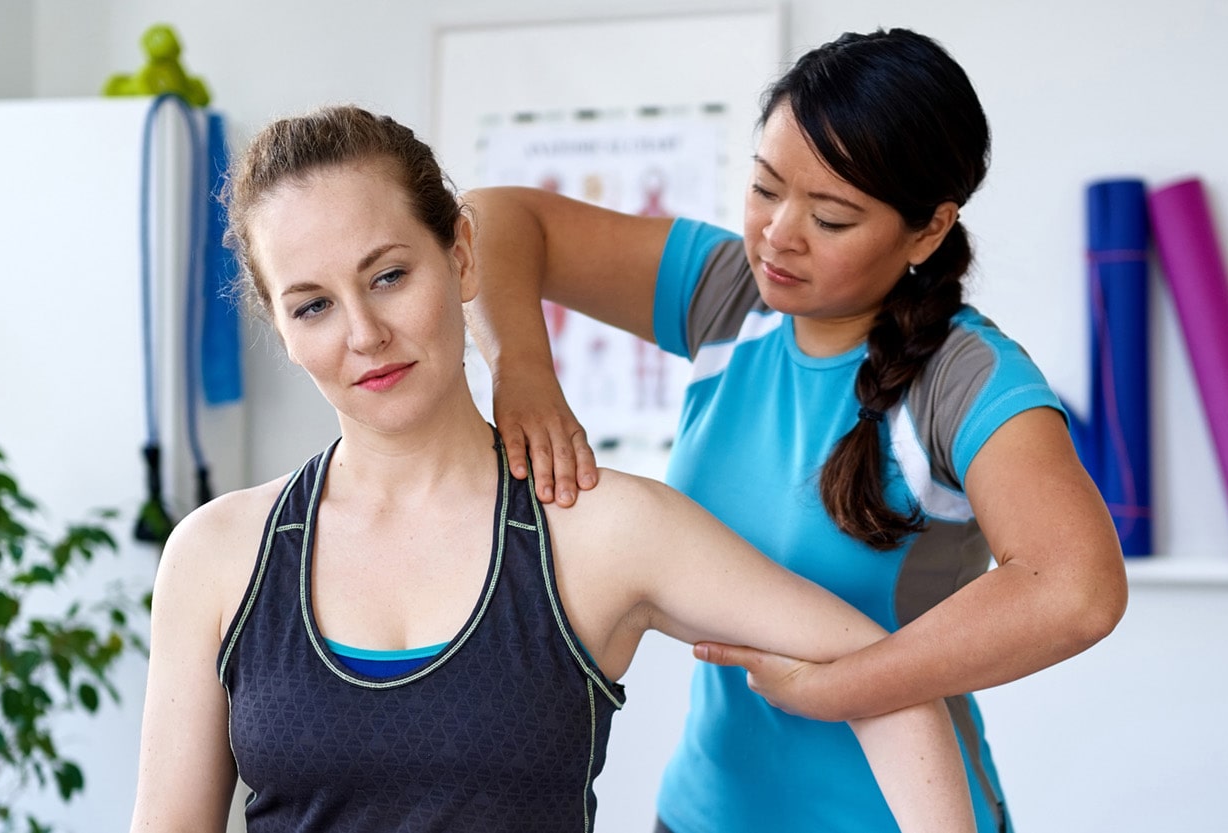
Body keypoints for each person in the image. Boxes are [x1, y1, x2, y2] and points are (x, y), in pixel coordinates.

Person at [128, 105, 974, 833]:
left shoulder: (598, 528)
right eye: (312, 304)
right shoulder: (216, 555)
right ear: (279, 327)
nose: (362, 333)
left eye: (388, 276)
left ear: (460, 255)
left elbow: (887, 677)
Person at [461, 28, 1130, 833]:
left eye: (833, 218)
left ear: (927, 230)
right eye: (765, 188)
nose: (779, 234)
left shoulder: (966, 378)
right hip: (703, 812)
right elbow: (491, 220)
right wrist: (522, 369)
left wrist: (836, 688)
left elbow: (1077, 588)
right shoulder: (728, 297)